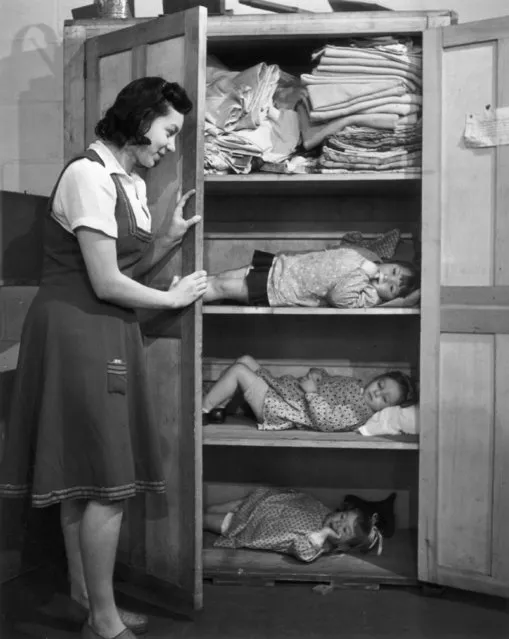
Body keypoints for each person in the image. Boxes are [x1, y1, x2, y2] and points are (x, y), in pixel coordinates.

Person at [0, 77, 207, 639]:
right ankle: (105, 619)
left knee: (83, 474)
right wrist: (172, 297)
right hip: (78, 331)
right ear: (141, 120)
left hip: (99, 328)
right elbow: (106, 281)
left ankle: (86, 598)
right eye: (168, 131)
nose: (169, 145)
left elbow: (121, 270)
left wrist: (165, 238)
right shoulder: (88, 175)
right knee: (105, 480)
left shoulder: (128, 181)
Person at [202, 355, 418, 432]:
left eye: (384, 398)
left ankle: (201, 410)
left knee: (239, 372)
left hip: (282, 408)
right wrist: (318, 374)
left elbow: (327, 421)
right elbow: (329, 383)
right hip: (283, 392)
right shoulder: (356, 385)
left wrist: (312, 394)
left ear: (386, 409)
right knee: (245, 360)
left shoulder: (358, 413)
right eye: (380, 385)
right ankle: (219, 409)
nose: (376, 394)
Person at [204, 486, 383, 563]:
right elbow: (300, 499)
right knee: (209, 508)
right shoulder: (324, 511)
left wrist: (324, 533)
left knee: (203, 519)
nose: (338, 522)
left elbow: (302, 551)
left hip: (244, 527)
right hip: (255, 504)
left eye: (344, 530)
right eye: (343, 516)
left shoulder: (317, 545)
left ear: (342, 545)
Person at [203, 245, 420, 309]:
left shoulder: (369, 296)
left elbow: (340, 298)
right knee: (220, 278)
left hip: (279, 289)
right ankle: (178, 288)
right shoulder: (369, 257)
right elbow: (337, 253)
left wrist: (365, 272)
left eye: (391, 288)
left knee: (220, 287)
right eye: (393, 272)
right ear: (391, 263)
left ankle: (179, 298)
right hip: (280, 265)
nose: (386, 279)